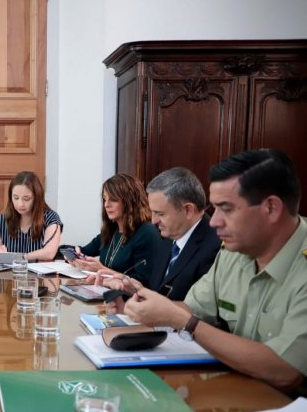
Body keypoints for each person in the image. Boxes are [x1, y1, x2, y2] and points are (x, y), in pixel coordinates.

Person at [124, 150, 306, 394]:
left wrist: (184, 322)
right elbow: (193, 307)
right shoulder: (233, 253)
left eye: (227, 209)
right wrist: (149, 305)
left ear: (271, 208)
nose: (213, 221)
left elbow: (286, 371)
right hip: (237, 396)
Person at [103, 168, 221, 300]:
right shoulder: (170, 237)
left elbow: (198, 312)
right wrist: (135, 291)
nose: (153, 221)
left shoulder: (216, 248)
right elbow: (158, 294)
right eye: (152, 212)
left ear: (188, 210)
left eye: (160, 214)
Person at [73, 173, 161, 286]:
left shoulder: (147, 232)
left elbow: (145, 283)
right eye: (104, 199)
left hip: (128, 300)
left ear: (130, 201)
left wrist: (102, 270)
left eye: (113, 199)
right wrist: (74, 255)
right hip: (104, 293)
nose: (106, 205)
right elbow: (84, 251)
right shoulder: (111, 230)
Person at [0, 171, 63, 260]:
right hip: (9, 273)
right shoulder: (1, 220)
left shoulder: (51, 218)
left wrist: (20, 258)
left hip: (39, 273)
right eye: (16, 198)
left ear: (37, 198)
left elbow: (49, 253)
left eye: (26, 199)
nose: (20, 204)